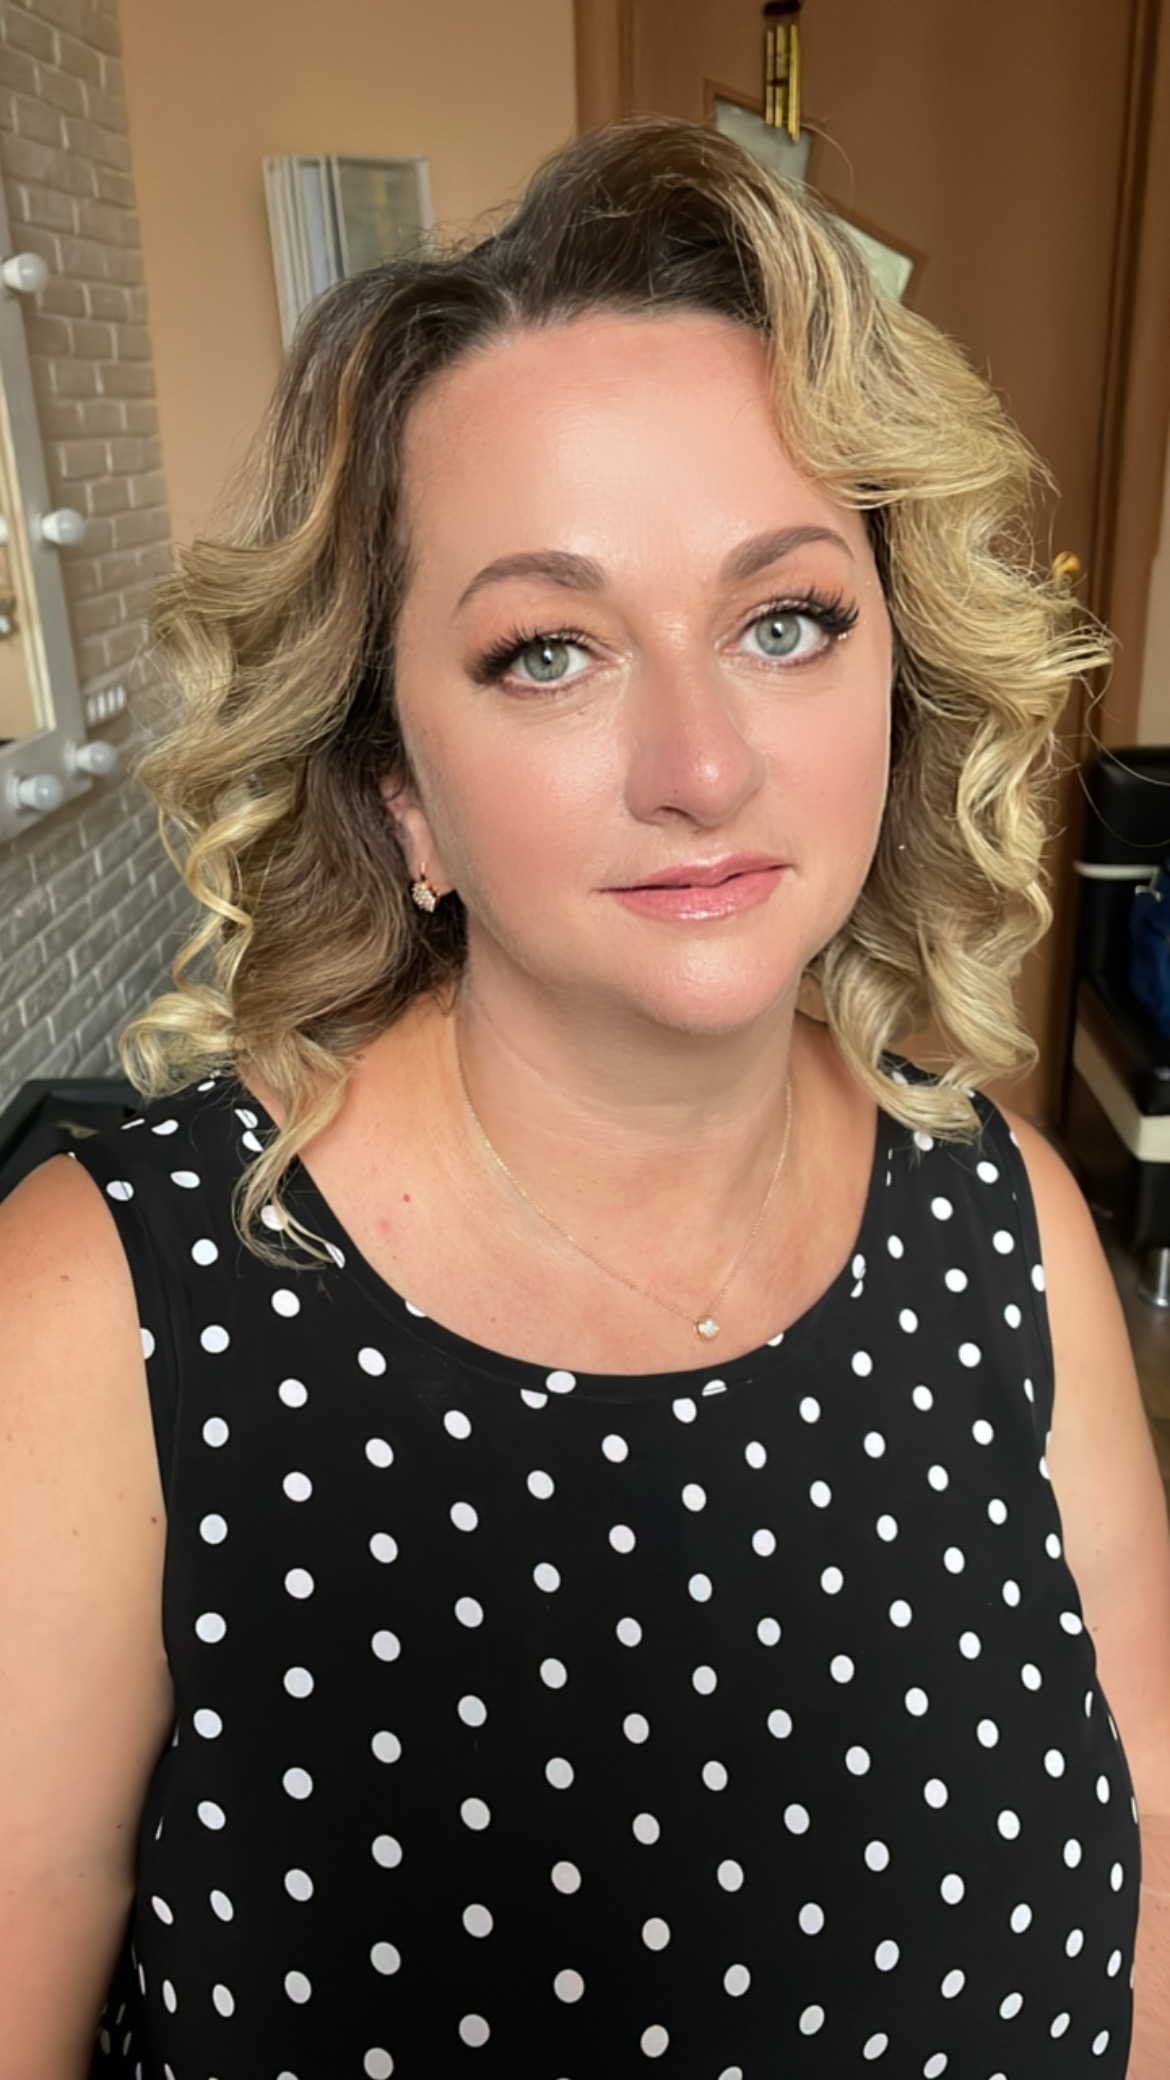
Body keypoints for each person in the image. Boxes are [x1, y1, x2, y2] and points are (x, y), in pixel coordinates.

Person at [1, 116, 1167, 2080]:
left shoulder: (1009, 1226)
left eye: (785, 619)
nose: (700, 765)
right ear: (396, 784)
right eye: (547, 651)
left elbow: (1150, 1844)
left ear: (896, 679)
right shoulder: (97, 1315)